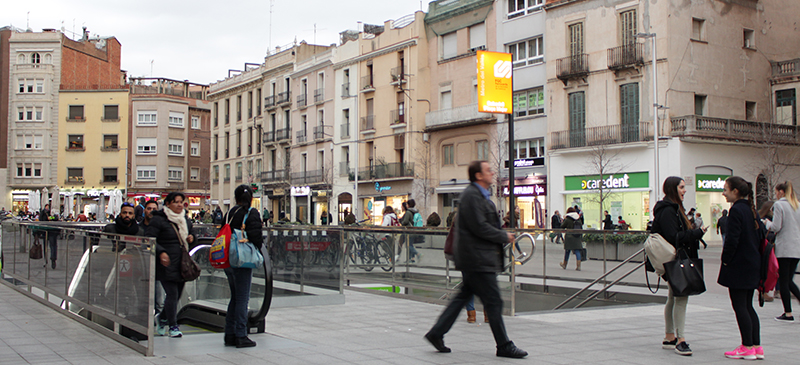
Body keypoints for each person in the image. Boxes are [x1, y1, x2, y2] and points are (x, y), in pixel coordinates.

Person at [424, 160, 527, 358]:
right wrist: (503, 235)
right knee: (494, 301)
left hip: (476, 258)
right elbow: (479, 227)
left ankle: (436, 333)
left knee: (463, 297)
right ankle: (504, 345)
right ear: (479, 175)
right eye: (488, 170)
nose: (492, 172)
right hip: (477, 259)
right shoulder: (472, 196)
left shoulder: (480, 196)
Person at [651, 176, 706, 356]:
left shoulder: (672, 208)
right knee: (680, 297)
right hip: (676, 259)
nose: (685, 190)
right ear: (673, 189)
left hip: (675, 259)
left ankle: (669, 337)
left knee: (673, 297)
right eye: (682, 187)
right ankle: (680, 339)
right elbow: (674, 236)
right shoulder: (668, 210)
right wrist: (696, 233)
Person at [718, 176, 763, 360]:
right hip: (752, 263)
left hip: (739, 265)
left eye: (726, 190)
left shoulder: (736, 211)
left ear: (735, 191)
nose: (724, 193)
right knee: (748, 306)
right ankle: (756, 346)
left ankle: (746, 346)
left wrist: (726, 260)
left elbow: (732, 240)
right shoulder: (752, 210)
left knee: (740, 306)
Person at [145, 192, 195, 338]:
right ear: (168, 204)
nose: (180, 205)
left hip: (182, 264)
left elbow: (191, 238)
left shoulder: (185, 220)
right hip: (166, 263)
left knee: (177, 295)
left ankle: (162, 318)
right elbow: (149, 238)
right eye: (176, 202)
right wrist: (161, 252)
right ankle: (173, 326)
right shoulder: (159, 220)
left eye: (181, 202)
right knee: (172, 293)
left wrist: (192, 238)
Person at [223, 185, 263, 348]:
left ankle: (229, 333)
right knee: (242, 298)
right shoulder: (251, 213)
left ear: (236, 197)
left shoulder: (229, 214)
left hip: (228, 258)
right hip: (243, 260)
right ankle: (241, 334)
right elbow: (256, 237)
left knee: (235, 296)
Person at [765, 182, 800, 324]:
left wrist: (766, 223)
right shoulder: (797, 205)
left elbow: (776, 227)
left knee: (783, 281)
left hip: (784, 247)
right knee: (789, 279)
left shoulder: (779, 205)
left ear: (780, 191)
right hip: (796, 247)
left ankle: (788, 312)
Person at [40, 204, 59, 269]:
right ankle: (46, 260)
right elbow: (42, 219)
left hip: (52, 232)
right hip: (46, 232)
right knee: (49, 246)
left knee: (52, 246)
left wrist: (50, 217)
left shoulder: (53, 213)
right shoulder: (43, 213)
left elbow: (56, 218)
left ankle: (53, 259)